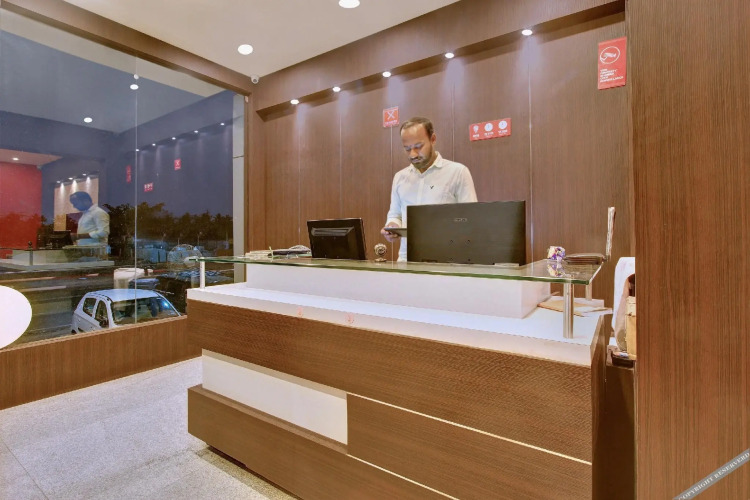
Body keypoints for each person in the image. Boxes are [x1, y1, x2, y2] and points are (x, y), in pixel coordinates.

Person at [381, 117, 477, 261]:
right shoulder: (400, 177)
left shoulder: (458, 172)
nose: (413, 154)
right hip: (407, 259)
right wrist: (392, 226)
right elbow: (395, 214)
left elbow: (471, 219)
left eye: (418, 147)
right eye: (407, 149)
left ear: (433, 139)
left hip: (447, 260)